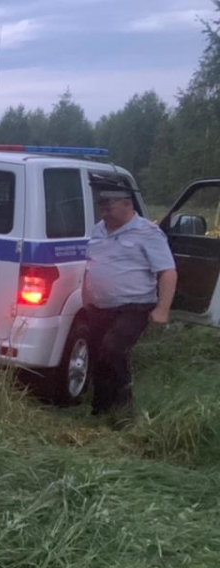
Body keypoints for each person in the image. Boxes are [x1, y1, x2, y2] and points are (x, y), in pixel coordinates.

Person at [81, 181, 177, 424]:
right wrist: (86, 294)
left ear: (127, 203)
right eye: (101, 206)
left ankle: (125, 406)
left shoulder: (148, 232)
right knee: (98, 355)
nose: (104, 210)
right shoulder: (97, 230)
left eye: (109, 205)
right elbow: (91, 265)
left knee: (113, 348)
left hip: (134, 305)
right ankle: (101, 410)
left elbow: (167, 271)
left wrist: (162, 309)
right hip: (99, 306)